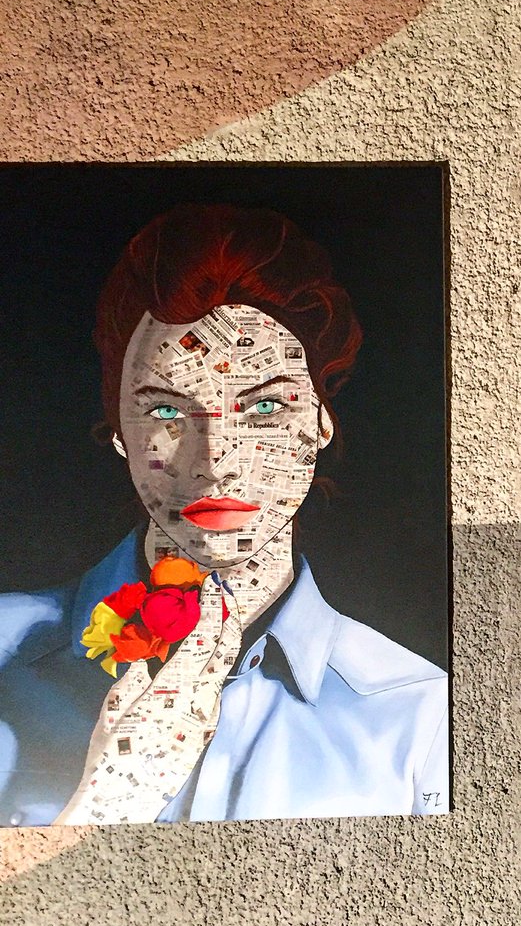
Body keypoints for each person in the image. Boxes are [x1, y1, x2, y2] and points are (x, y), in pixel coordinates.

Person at [0, 203, 449, 824]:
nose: (215, 464)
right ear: (120, 432)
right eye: (166, 412)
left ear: (320, 423)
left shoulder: (419, 717)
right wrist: (113, 798)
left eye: (264, 409)